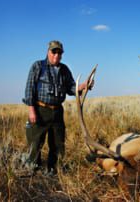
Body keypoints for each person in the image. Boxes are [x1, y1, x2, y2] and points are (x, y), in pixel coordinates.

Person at [23, 40, 91, 175]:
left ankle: (53, 169)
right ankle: (32, 168)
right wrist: (31, 110)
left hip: (57, 111)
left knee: (57, 143)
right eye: (54, 52)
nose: (57, 55)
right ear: (48, 52)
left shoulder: (64, 69)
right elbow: (29, 89)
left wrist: (82, 86)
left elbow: (71, 88)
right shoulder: (37, 66)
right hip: (40, 109)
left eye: (59, 53)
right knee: (35, 141)